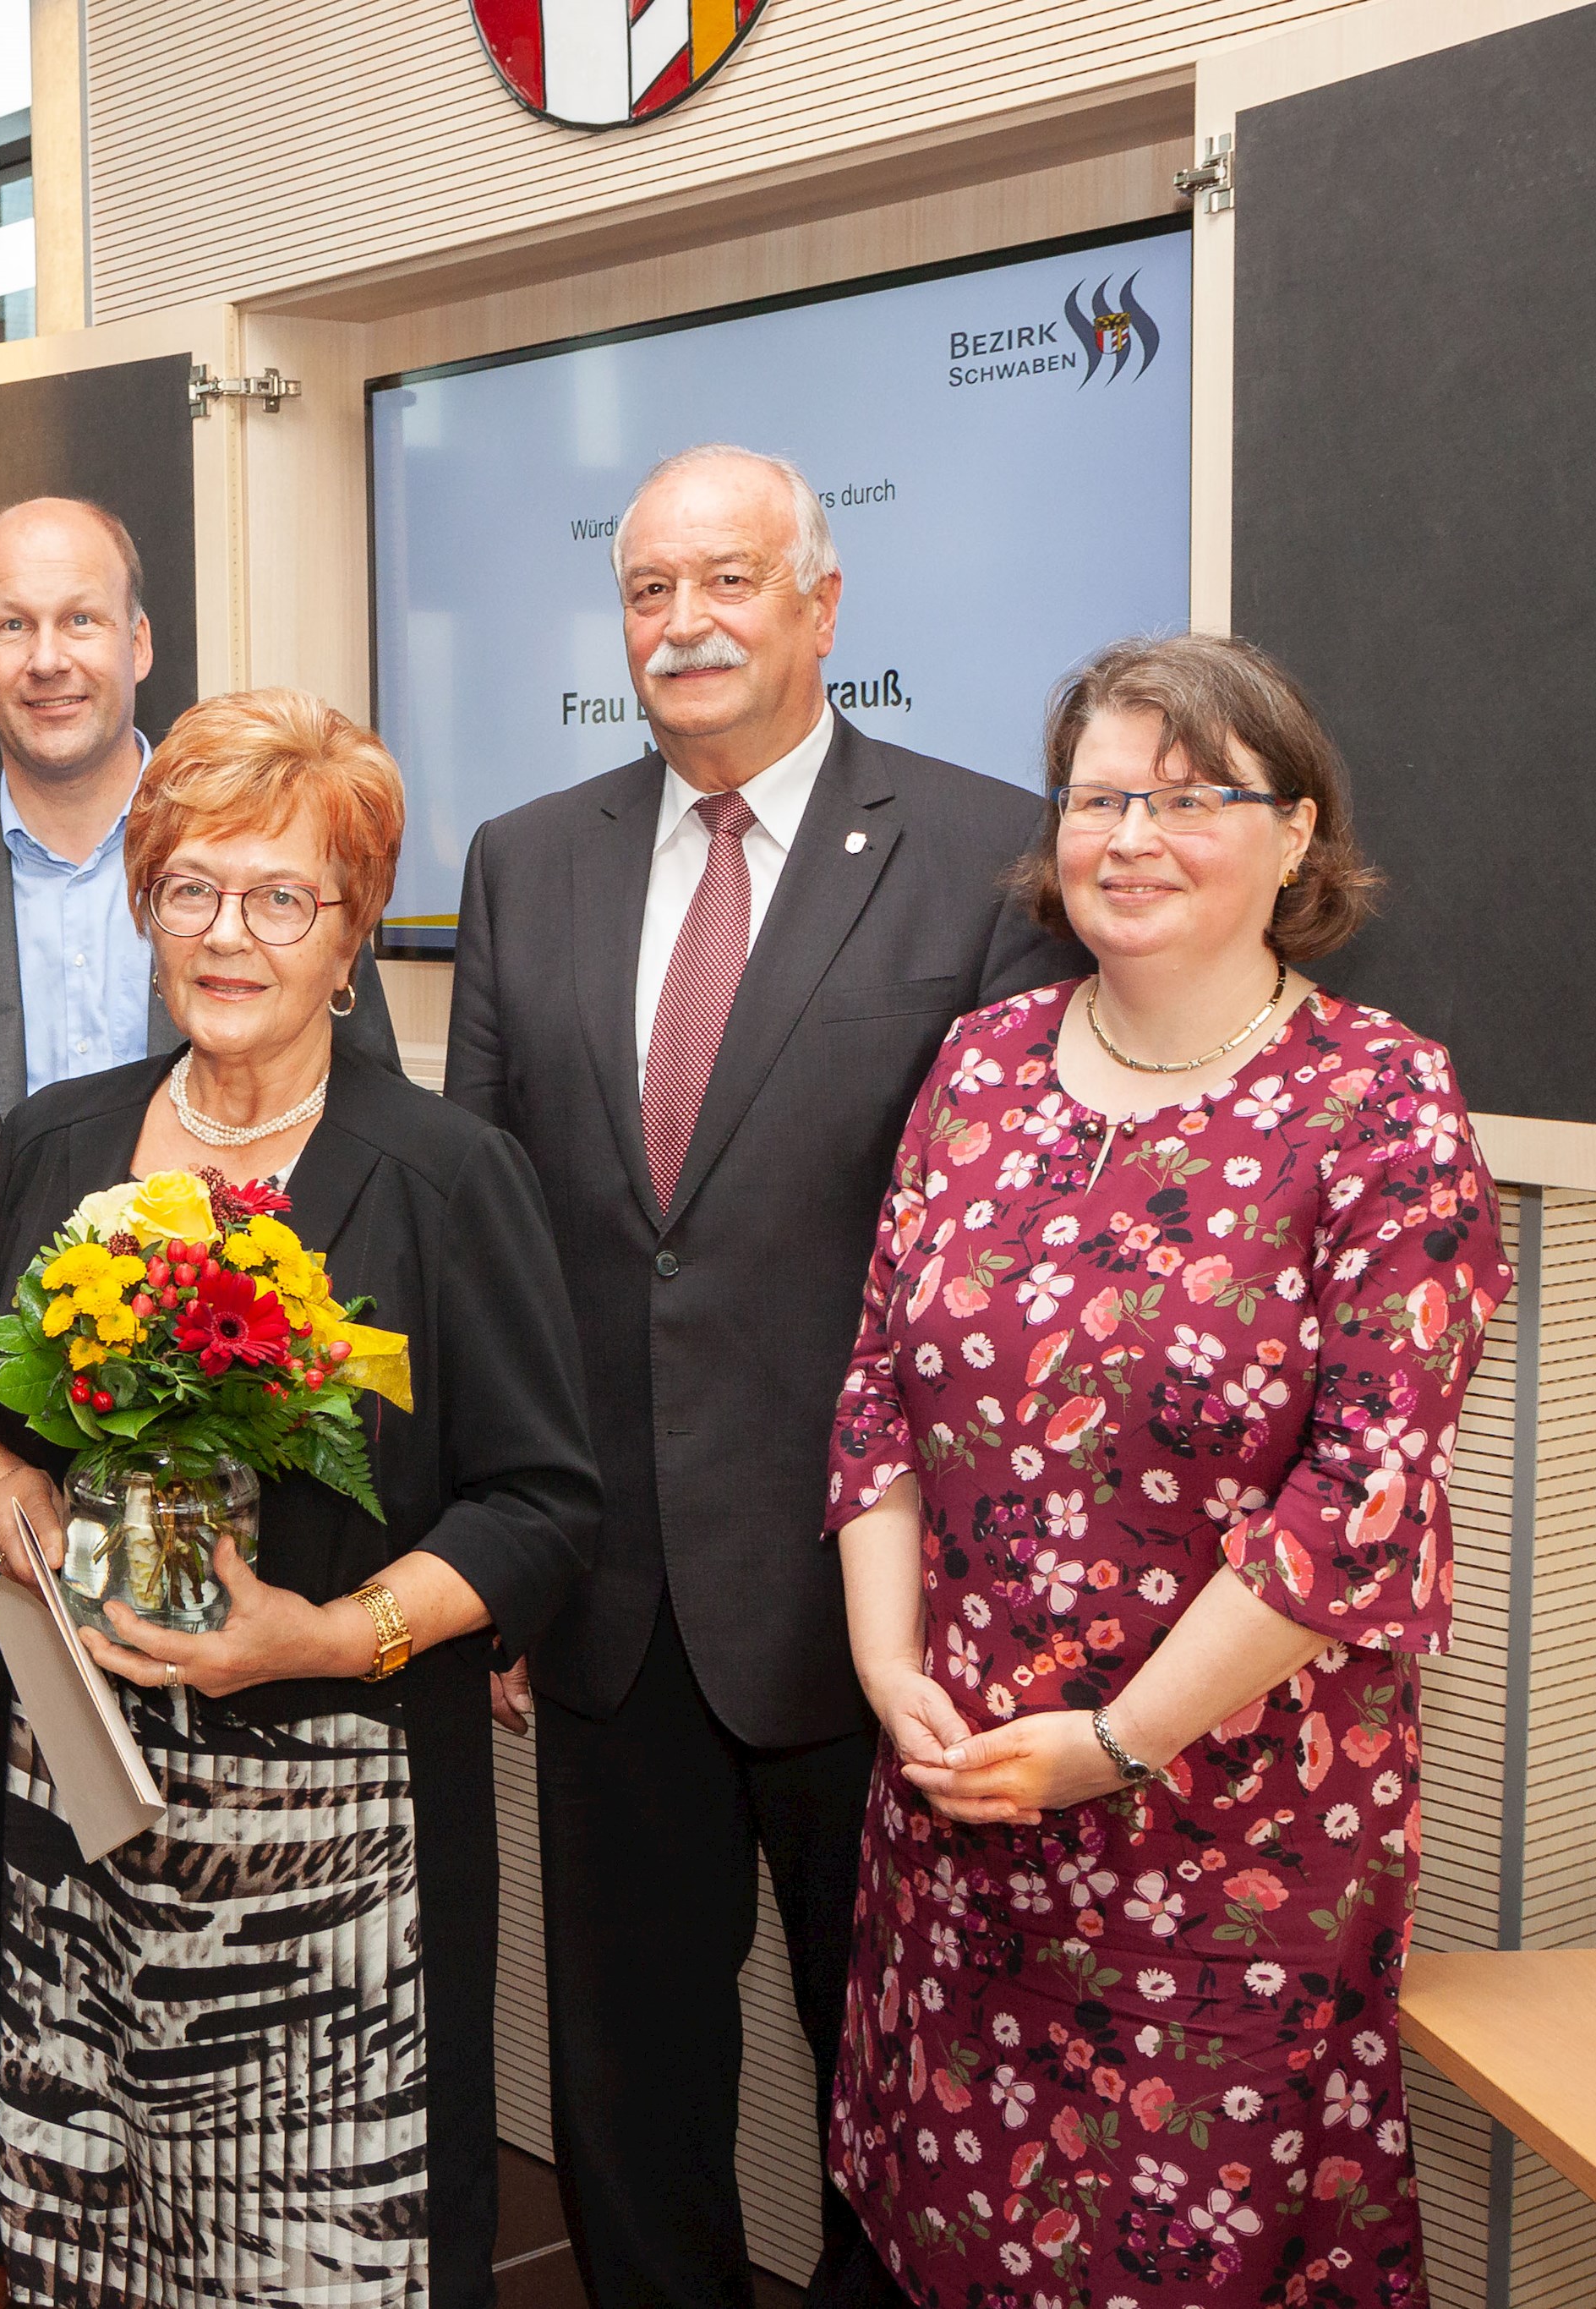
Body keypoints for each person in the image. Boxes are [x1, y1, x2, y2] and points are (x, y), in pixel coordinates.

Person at [444, 442, 1085, 2309]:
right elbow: (494, 1234)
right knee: (629, 2091)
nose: (683, 621)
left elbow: (1002, 1263)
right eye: (648, 589)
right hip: (603, 1601)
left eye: (727, 581)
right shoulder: (522, 856)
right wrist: (497, 1554)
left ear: (819, 604)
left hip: (866, 1607)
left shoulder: (983, 854)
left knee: (889, 2077)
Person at [0, 688, 598, 2305]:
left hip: (336, 1853)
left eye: (285, 898)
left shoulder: (440, 1176)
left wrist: (322, 1634)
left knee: (323, 2268)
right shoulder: (60, 1139)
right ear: (146, 907)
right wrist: (16, 1507)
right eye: (194, 887)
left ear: (351, 938)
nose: (231, 934)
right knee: (94, 2243)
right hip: (80, 1815)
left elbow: (542, 1503)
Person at [824, 632, 1496, 2309]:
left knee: (1184, 2248)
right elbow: (875, 1403)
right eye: (1097, 796)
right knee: (953, 2226)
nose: (1128, 835)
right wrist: (887, 1669)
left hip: (1231, 1837)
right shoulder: (976, 1067)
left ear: (1294, 837)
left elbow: (1353, 1503)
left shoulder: (1377, 1104)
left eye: (1191, 799)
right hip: (969, 1793)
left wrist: (1115, 1743)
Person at [0, 496, 397, 2309]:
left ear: (139, 638)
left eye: (82, 619)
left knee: (227, 1960)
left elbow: (367, 1180)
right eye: (12, 624)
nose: (49, 655)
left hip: (274, 1542)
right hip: (2, 1469)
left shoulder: (270, 842)